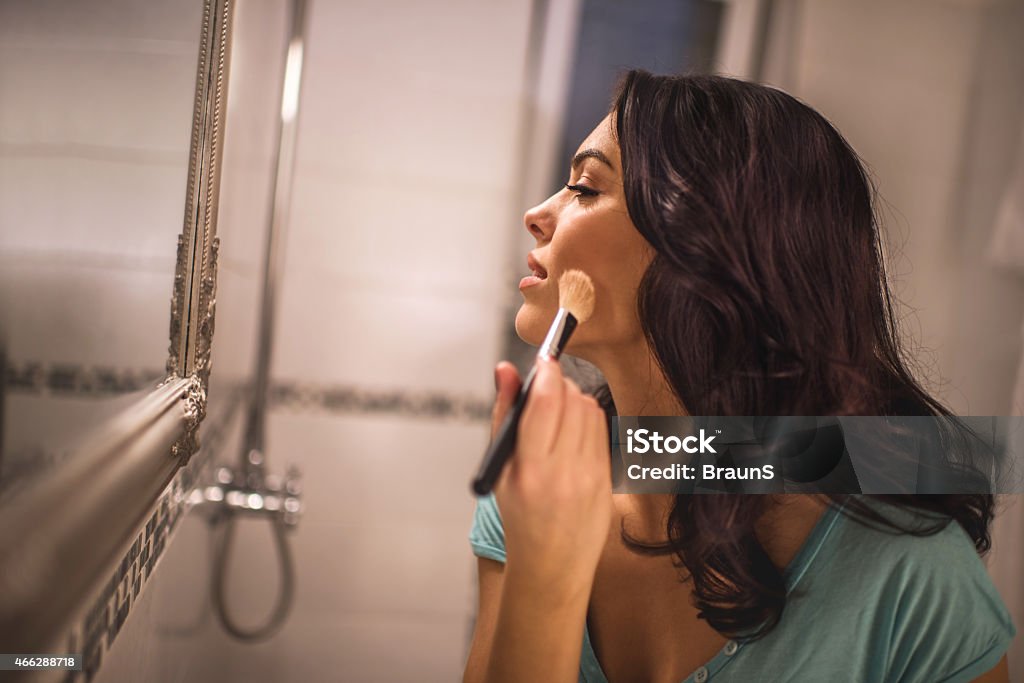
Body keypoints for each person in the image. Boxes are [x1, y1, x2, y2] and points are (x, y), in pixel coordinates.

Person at [463, 71, 1016, 683]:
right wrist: (542, 565)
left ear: (704, 251)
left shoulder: (911, 576)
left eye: (586, 189)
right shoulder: (532, 496)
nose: (537, 214)